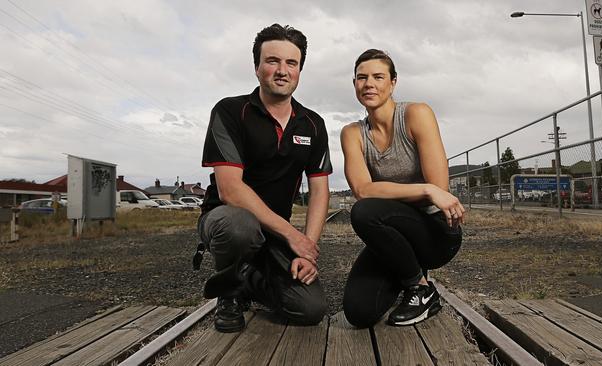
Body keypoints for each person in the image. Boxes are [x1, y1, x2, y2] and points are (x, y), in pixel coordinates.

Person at [199, 24, 331, 333]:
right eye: (272, 61)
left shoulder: (313, 124)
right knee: (239, 224)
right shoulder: (230, 111)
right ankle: (229, 295)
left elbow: (320, 191)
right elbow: (230, 190)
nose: (282, 70)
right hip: (227, 220)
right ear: (257, 67)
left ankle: (247, 279)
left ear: (300, 70)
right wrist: (292, 235)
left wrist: (308, 248)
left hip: (274, 231)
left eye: (291, 63)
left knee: (310, 309)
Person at [340, 49, 464, 328]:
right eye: (362, 78)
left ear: (393, 82)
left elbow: (440, 188)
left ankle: (420, 289)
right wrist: (426, 190)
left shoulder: (416, 114)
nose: (369, 83)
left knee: (364, 212)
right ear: (355, 84)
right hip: (392, 236)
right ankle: (410, 276)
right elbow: (362, 189)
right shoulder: (352, 134)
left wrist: (433, 191)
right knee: (358, 312)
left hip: (435, 233)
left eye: (378, 77)